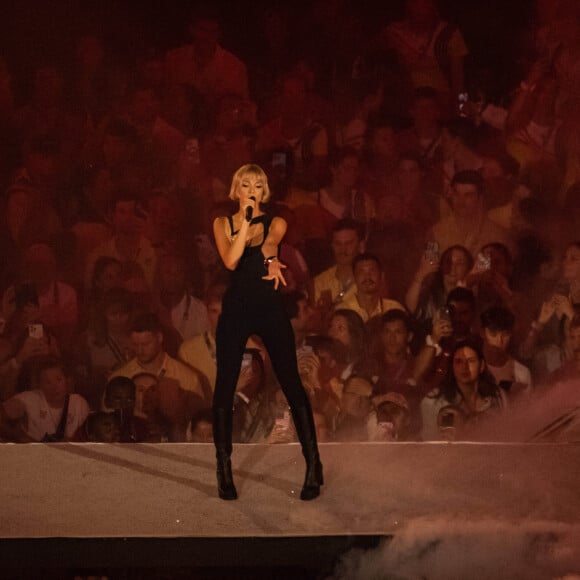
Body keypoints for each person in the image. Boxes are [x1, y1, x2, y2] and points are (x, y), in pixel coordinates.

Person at [212, 163, 323, 501]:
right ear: (236, 189)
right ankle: (223, 467)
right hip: (236, 310)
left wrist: (272, 259)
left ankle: (313, 464)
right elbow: (231, 261)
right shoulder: (223, 224)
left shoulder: (276, 221)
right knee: (225, 384)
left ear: (264, 192)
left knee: (290, 381)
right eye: (245, 185)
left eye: (257, 186)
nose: (251, 190)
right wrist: (244, 222)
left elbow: (270, 243)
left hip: (269, 307)